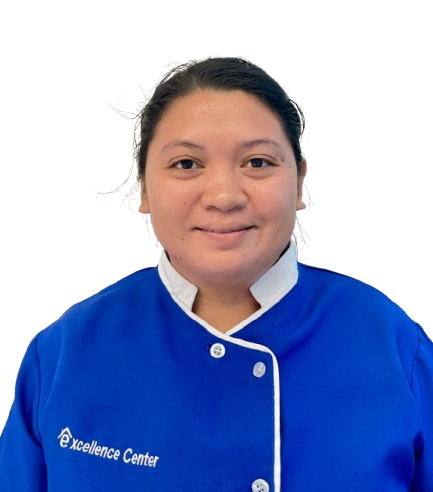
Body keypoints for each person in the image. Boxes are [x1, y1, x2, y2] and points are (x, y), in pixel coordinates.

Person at [0, 55, 432, 492]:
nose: (224, 196)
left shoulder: (396, 344)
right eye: (186, 164)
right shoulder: (63, 352)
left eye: (257, 162)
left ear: (301, 181)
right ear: (143, 187)